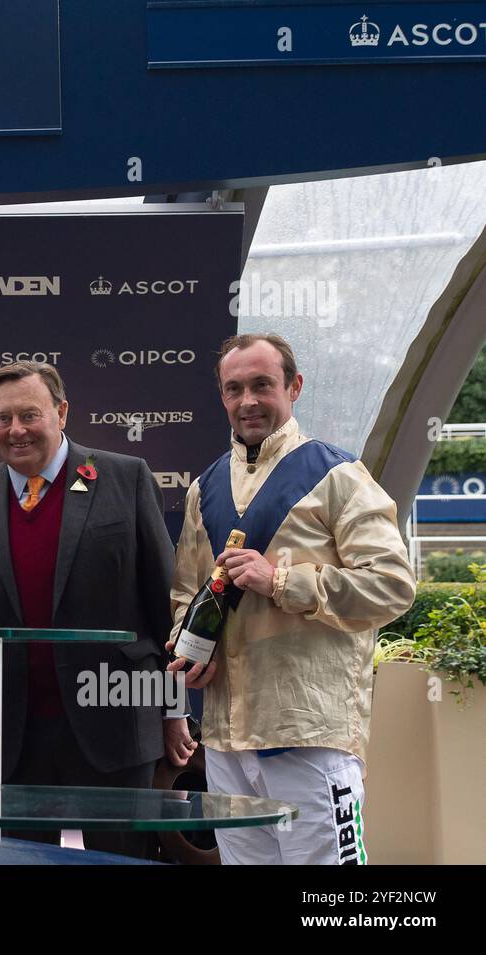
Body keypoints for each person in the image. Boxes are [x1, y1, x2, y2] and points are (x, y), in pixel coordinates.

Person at [168, 334, 416, 865]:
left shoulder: (339, 475)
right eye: (234, 389)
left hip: (309, 733)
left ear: (294, 387)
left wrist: (281, 581)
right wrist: (186, 650)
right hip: (225, 739)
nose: (248, 400)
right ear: (222, 398)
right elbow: (187, 594)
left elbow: (393, 585)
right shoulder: (204, 487)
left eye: (262, 385)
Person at [0, 361, 184, 858]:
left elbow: (163, 604)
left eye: (29, 415)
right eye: (2, 418)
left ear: (62, 413)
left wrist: (173, 711)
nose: (15, 430)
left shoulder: (125, 477)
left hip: (116, 719)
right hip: (14, 735)